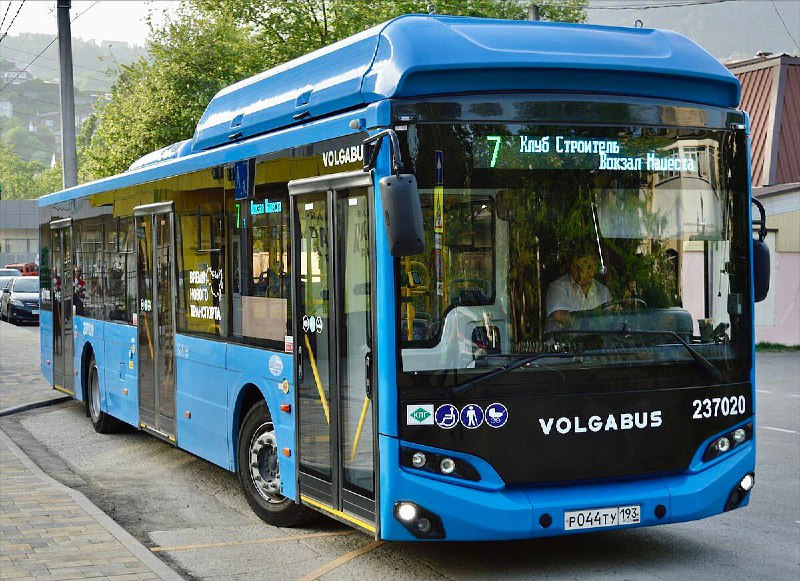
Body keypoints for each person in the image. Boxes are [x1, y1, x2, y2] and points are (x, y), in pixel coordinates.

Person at [545, 253, 612, 331]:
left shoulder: (602, 290)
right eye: (580, 267)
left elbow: (610, 319)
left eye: (590, 267)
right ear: (573, 268)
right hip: (564, 338)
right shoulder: (559, 286)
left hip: (595, 338)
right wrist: (596, 320)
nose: (586, 272)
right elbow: (560, 316)